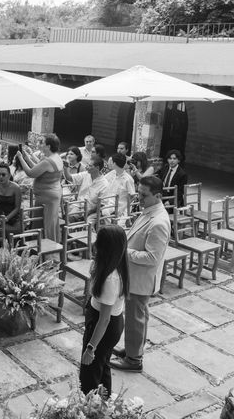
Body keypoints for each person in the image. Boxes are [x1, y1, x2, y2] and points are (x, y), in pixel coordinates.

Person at [110, 176, 170, 373]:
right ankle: (132, 349)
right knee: (137, 316)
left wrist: (123, 250)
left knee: (136, 318)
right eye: (139, 193)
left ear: (158, 196)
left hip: (141, 278)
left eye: (144, 195)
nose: (139, 198)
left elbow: (153, 257)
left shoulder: (159, 222)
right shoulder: (149, 211)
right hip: (135, 275)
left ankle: (134, 360)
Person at [80, 225, 129, 397]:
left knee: (89, 373)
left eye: (98, 242)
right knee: (102, 367)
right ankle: (103, 404)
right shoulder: (112, 266)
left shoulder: (111, 279)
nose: (94, 244)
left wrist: (90, 348)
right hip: (106, 323)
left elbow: (104, 319)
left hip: (104, 327)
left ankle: (90, 409)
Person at [15, 134, 63, 241]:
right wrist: (27, 157)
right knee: (47, 223)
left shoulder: (48, 161)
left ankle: (45, 248)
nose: (39, 144)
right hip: (51, 195)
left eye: (42, 143)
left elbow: (31, 173)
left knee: (44, 224)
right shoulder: (55, 157)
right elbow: (38, 167)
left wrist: (20, 158)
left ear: (48, 146)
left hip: (47, 197)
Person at [63, 157, 109, 224]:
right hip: (79, 205)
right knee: (68, 217)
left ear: (97, 168)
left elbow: (101, 205)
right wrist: (65, 168)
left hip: (93, 211)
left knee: (88, 223)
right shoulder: (85, 174)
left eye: (90, 166)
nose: (87, 167)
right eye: (87, 165)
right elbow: (69, 178)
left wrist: (87, 213)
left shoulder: (104, 184)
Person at [0, 163, 22, 240]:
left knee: (12, 232)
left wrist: (6, 218)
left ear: (9, 175)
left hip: (14, 218)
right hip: (0, 216)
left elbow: (17, 208)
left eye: (3, 174)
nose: (1, 177)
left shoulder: (16, 187)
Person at [104, 154, 136, 219]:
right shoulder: (112, 173)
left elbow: (133, 196)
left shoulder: (128, 179)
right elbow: (102, 181)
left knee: (104, 213)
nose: (109, 163)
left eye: (111, 162)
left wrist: (122, 209)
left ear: (114, 163)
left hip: (121, 208)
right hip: (108, 204)